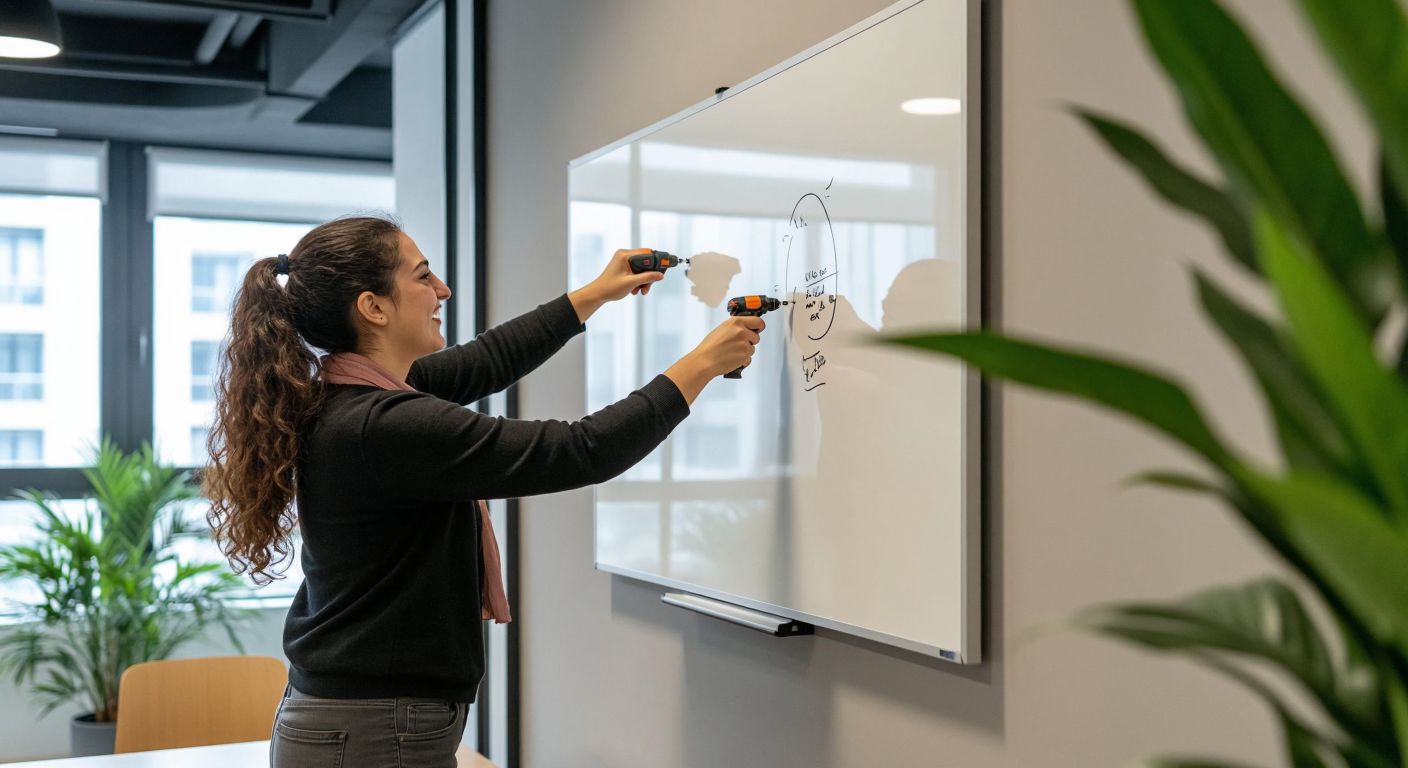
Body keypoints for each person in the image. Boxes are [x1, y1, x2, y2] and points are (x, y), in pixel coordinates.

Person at [201, 215, 764, 768]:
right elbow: (583, 450)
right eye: (423, 277)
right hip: (373, 727)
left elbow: (487, 361)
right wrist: (702, 364)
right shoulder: (383, 425)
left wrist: (593, 294)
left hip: (359, 718)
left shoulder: (347, 395)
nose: (441, 289)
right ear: (373, 307)